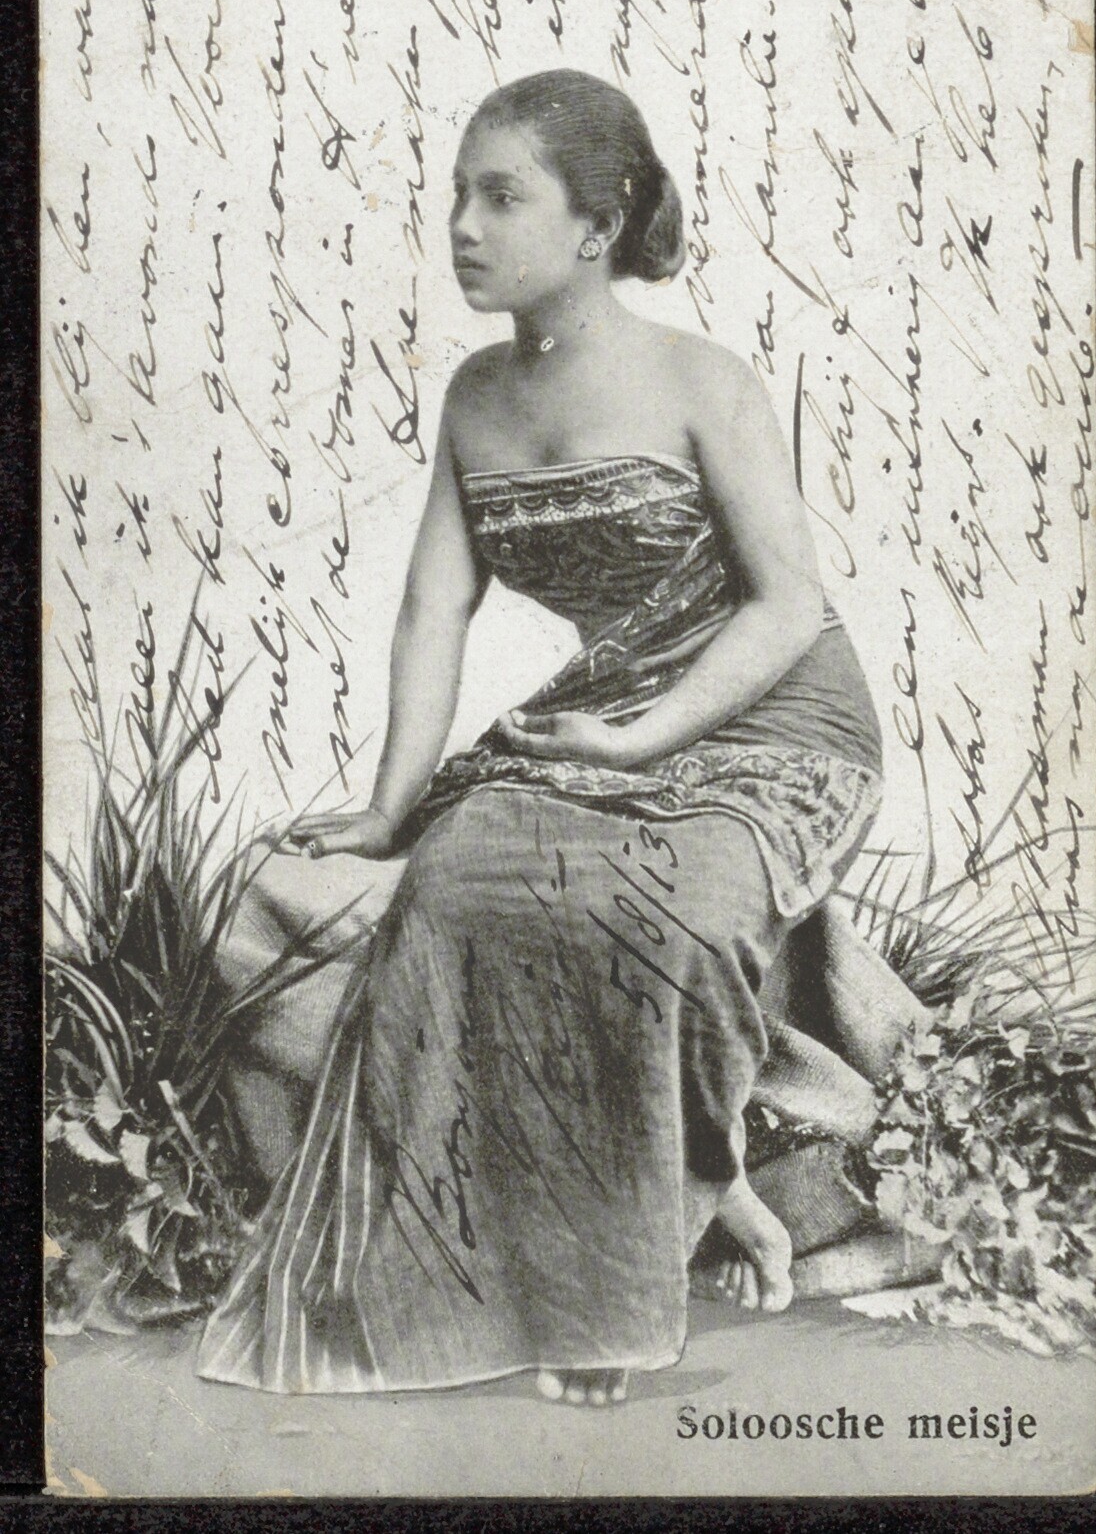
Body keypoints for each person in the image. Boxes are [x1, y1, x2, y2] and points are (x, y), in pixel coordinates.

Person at [199, 69, 924, 1406]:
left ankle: (627, 1279)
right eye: (457, 197)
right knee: (454, 880)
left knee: (667, 917)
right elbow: (435, 607)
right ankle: (519, 1266)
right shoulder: (476, 394)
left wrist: (642, 742)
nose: (463, 227)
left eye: (501, 198)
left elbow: (787, 607)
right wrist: (386, 807)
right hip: (607, 719)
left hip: (775, 723)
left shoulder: (703, 380)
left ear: (598, 226)